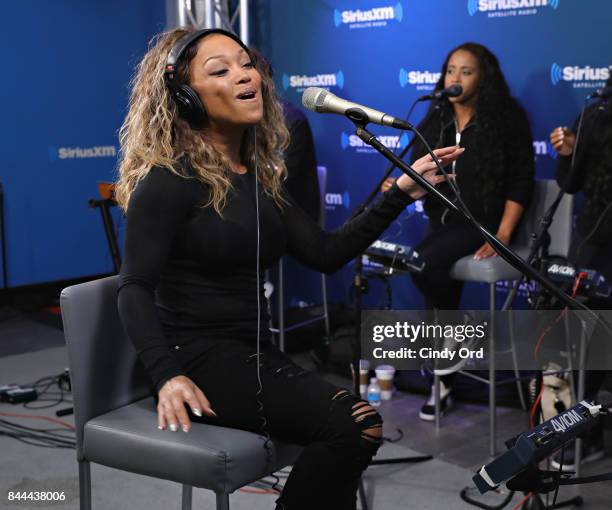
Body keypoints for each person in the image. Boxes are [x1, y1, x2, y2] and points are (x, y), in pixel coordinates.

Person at [115, 27, 463, 510]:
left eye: (245, 64)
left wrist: (399, 191)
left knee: (351, 428)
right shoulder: (170, 180)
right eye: (220, 70)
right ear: (186, 98)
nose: (244, 76)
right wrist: (167, 374)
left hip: (255, 352)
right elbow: (132, 288)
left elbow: (326, 253)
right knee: (356, 423)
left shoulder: (257, 179)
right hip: (196, 359)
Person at [384, 42, 535, 421]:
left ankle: (448, 360)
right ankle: (446, 371)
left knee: (425, 264)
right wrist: (396, 183)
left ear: (483, 76)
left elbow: (521, 181)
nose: (456, 78)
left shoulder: (506, 117)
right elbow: (412, 165)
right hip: (443, 221)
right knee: (430, 273)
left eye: (466, 71)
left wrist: (500, 236)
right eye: (451, 70)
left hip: (482, 223)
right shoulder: (436, 115)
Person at [548, 78, 612, 470]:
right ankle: (585, 429)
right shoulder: (598, 111)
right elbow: (569, 182)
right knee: (591, 328)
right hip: (599, 234)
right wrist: (569, 153)